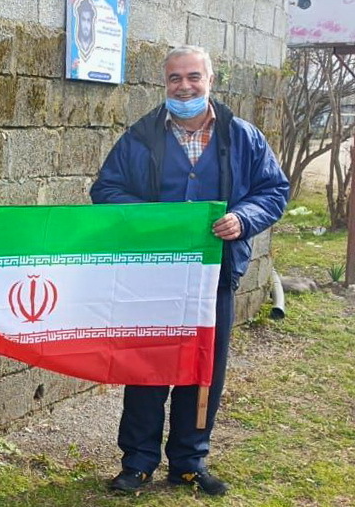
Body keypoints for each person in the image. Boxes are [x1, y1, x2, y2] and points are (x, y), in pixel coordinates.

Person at [90, 45, 289, 496]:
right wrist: (155, 221)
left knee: (203, 368)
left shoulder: (242, 136)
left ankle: (188, 461)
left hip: (214, 275)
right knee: (148, 366)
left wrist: (244, 218)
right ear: (165, 83)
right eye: (175, 78)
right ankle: (138, 462)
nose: (184, 86)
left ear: (210, 80)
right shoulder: (140, 137)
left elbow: (274, 190)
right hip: (153, 275)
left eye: (193, 77)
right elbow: (106, 190)